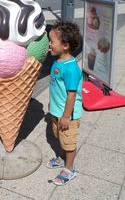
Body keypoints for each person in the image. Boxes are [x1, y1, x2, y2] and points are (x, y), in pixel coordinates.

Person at [46, 21, 83, 186]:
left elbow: (71, 95)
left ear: (65, 45)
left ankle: (69, 169)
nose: (49, 44)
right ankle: (62, 159)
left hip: (68, 115)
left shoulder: (71, 68)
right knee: (60, 138)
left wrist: (66, 116)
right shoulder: (58, 61)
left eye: (52, 41)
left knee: (69, 143)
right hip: (57, 111)